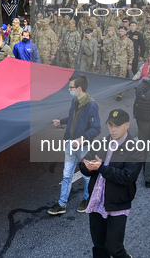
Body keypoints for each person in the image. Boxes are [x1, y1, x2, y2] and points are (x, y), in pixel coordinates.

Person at [79, 109, 143, 258]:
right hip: (97, 201)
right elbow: (83, 164)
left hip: (117, 205)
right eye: (110, 125)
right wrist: (86, 167)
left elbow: (128, 177)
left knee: (114, 248)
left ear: (127, 125)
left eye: (117, 125)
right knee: (99, 245)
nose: (113, 129)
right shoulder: (101, 143)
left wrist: (101, 168)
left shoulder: (135, 149)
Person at [48, 75, 101, 215]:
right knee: (66, 175)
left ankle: (87, 199)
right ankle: (62, 204)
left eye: (71, 87)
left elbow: (96, 128)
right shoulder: (75, 101)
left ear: (79, 88)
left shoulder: (91, 105)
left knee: (86, 176)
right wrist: (62, 121)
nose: (69, 89)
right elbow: (72, 119)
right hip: (71, 144)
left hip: (84, 147)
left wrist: (82, 139)